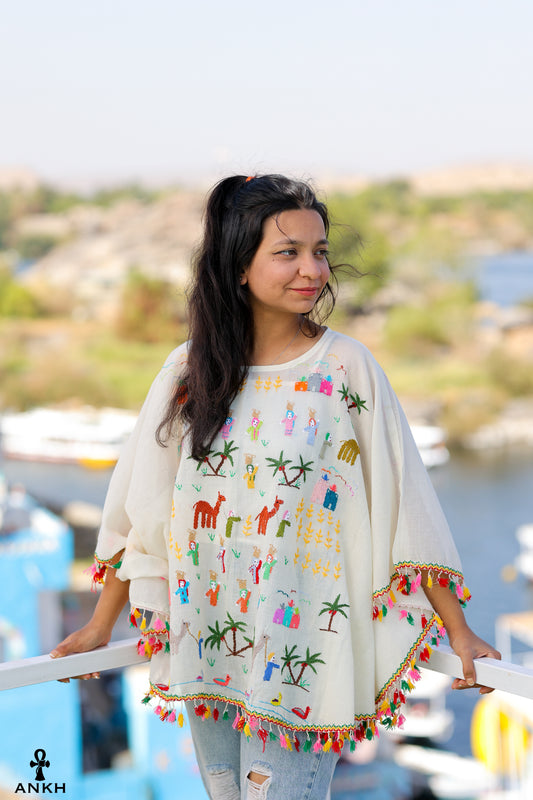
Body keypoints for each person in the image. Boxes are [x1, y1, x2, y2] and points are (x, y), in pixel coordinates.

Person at [51, 174, 500, 800]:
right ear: (239, 266)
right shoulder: (189, 371)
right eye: (287, 253)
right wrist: (103, 623)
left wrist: (459, 630)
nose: (311, 269)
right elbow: (144, 506)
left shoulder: (346, 370)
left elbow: (406, 502)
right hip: (207, 639)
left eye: (318, 251)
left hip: (301, 652)